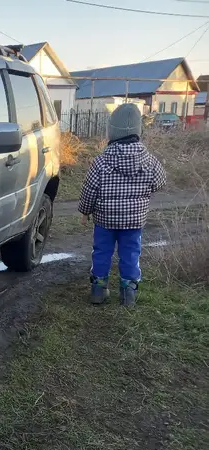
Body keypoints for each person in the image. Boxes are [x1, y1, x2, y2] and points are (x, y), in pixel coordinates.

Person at [78, 103, 167, 306]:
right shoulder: (149, 161)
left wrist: (85, 211)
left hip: (105, 220)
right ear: (138, 130)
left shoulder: (101, 162)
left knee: (101, 253)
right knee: (130, 255)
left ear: (112, 131)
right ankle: (129, 294)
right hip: (134, 221)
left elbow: (90, 189)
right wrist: (143, 192)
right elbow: (160, 182)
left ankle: (98, 291)